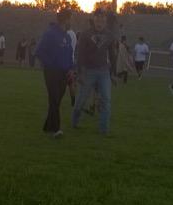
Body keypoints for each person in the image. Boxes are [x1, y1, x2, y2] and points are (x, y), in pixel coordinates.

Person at [73, 8, 119, 135]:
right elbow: (80, 54)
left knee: (106, 100)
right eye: (98, 18)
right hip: (88, 71)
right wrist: (79, 72)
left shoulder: (110, 35)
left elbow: (113, 55)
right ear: (93, 19)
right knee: (81, 101)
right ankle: (75, 121)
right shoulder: (85, 34)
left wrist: (113, 73)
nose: (100, 21)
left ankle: (104, 130)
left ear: (105, 21)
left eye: (102, 19)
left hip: (104, 71)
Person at [36, 9, 75, 138]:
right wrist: (50, 63)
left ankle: (48, 126)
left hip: (64, 73)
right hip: (51, 72)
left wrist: (70, 68)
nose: (71, 22)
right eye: (70, 18)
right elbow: (39, 51)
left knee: (56, 101)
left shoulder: (67, 37)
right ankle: (56, 129)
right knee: (54, 98)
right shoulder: (50, 34)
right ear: (65, 19)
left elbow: (69, 54)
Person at [66, 23, 78, 105]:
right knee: (71, 82)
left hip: (65, 59)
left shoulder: (66, 34)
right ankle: (73, 99)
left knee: (61, 81)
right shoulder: (73, 33)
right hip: (72, 59)